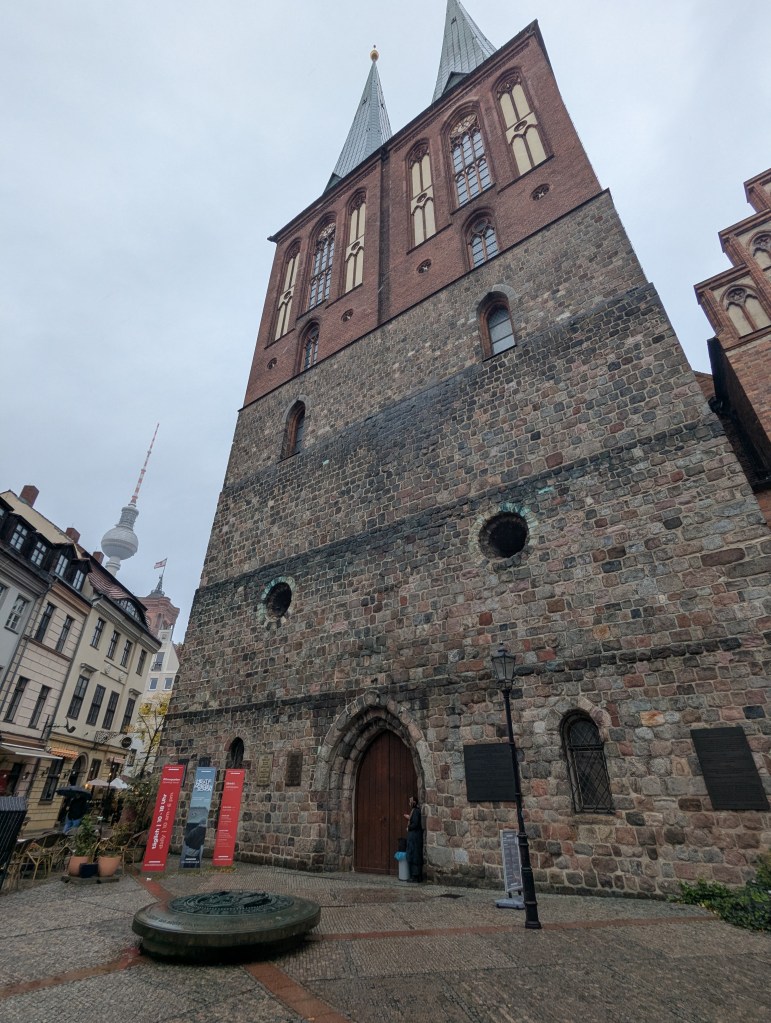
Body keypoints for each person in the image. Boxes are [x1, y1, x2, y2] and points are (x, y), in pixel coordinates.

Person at [403, 796, 423, 882]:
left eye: (410, 802)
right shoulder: (414, 811)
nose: (409, 804)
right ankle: (415, 875)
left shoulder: (416, 811)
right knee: (413, 854)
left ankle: (415, 876)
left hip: (415, 837)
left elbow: (415, 824)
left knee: (415, 855)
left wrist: (409, 827)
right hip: (413, 836)